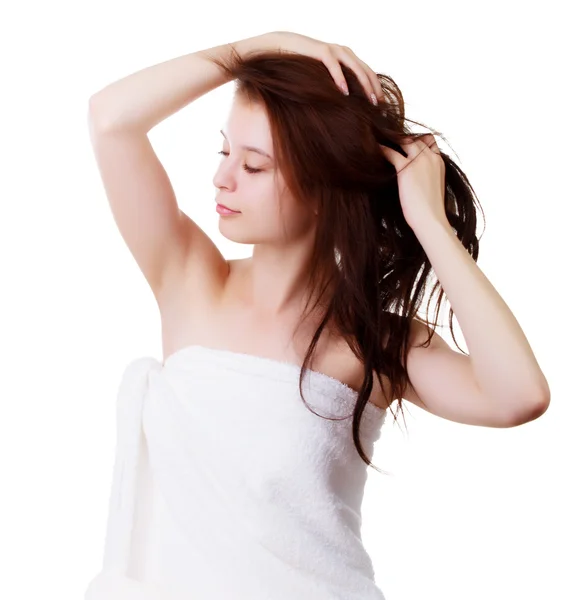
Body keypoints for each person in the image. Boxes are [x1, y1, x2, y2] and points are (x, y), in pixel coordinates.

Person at [85, 31, 550, 600]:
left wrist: (430, 222)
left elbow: (518, 396)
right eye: (224, 152)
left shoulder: (375, 344)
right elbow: (111, 119)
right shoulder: (188, 279)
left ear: (323, 188)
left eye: (255, 166)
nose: (222, 178)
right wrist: (256, 49)